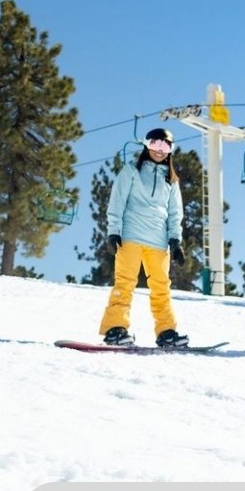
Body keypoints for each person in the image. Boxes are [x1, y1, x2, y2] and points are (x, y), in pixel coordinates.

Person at [98, 127, 190, 348]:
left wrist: (175, 241)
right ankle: (115, 328)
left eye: (165, 146)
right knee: (125, 282)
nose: (159, 150)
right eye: (155, 144)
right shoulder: (130, 171)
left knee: (161, 287)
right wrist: (114, 231)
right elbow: (117, 201)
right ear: (147, 145)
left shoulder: (172, 180)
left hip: (158, 241)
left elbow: (175, 212)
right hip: (130, 235)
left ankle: (166, 331)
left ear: (170, 150)